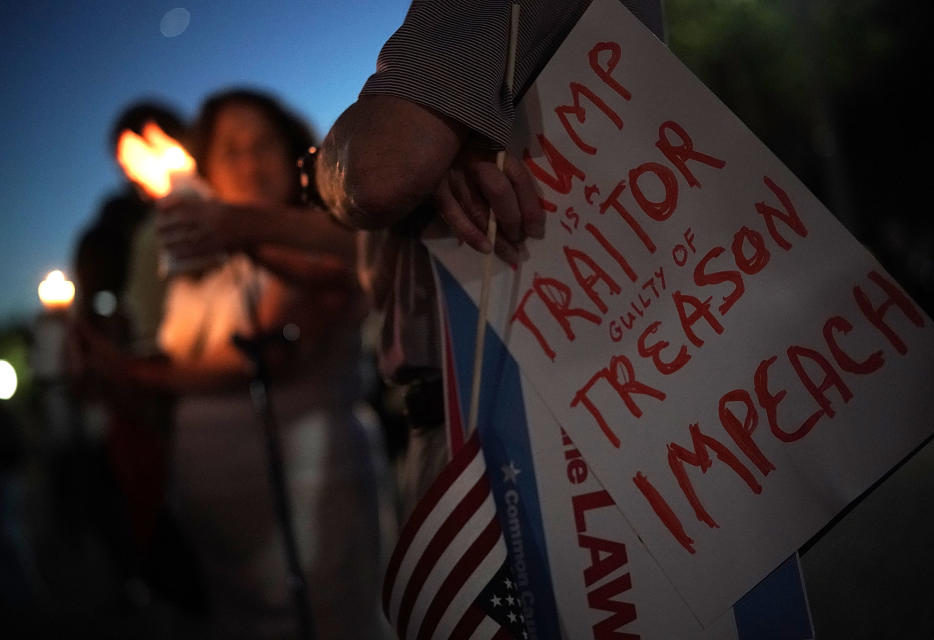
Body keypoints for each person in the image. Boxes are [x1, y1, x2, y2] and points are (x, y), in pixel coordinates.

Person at [315, 0, 666, 514]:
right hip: (595, 379)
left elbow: (377, 170)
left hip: (511, 411)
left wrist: (318, 171)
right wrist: (462, 131)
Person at [86, 89, 386, 639]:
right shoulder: (190, 255)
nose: (248, 160)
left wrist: (127, 372)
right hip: (214, 509)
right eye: (230, 148)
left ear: (292, 145)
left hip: (308, 489)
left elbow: (277, 344)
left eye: (263, 143)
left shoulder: (326, 227)